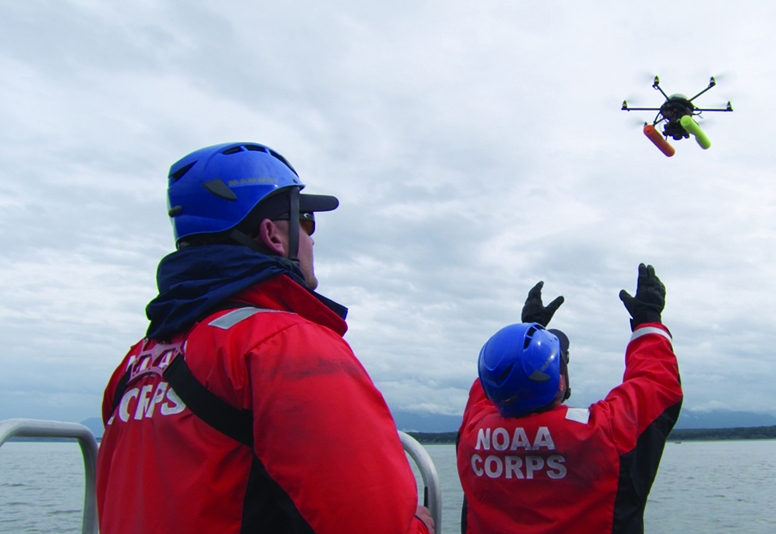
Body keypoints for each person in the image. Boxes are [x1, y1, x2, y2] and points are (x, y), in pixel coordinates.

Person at [96, 142, 433, 534]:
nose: (312, 237)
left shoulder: (139, 361)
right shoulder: (285, 345)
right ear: (272, 235)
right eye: (305, 219)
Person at [456, 264, 683, 534]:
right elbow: (656, 384)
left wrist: (528, 332)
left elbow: (495, 379)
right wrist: (648, 319)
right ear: (559, 381)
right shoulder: (604, 436)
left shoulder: (473, 435)